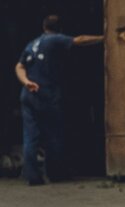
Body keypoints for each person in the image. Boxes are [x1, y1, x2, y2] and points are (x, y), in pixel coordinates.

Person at [13, 15, 103, 186]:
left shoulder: (32, 43)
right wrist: (103, 38)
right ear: (60, 29)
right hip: (46, 93)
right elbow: (79, 40)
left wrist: (26, 82)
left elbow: (19, 66)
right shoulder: (54, 39)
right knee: (53, 134)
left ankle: (33, 176)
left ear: (43, 26)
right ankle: (55, 173)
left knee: (30, 136)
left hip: (28, 93)